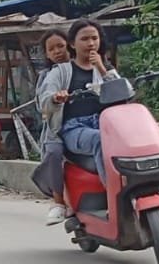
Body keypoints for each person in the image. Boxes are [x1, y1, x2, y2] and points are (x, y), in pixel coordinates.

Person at [39, 19, 120, 187]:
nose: (91, 43)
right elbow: (44, 100)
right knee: (100, 140)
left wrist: (102, 68)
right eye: (84, 39)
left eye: (94, 38)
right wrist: (56, 97)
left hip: (102, 123)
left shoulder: (106, 69)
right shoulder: (60, 71)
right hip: (73, 128)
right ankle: (115, 193)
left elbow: (122, 94)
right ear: (72, 44)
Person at [31, 30, 73, 225]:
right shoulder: (47, 76)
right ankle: (58, 201)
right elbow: (42, 104)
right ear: (47, 54)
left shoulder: (85, 67)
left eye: (60, 46)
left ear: (70, 45)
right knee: (54, 153)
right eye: (51, 49)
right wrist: (55, 99)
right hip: (57, 128)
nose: (57, 51)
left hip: (90, 124)